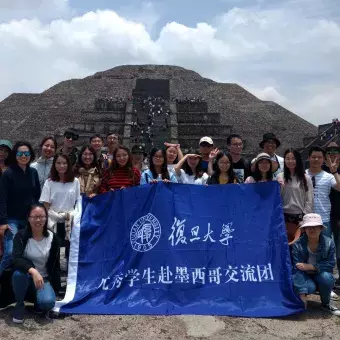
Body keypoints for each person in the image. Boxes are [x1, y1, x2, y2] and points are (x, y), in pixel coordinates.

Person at [11, 204, 60, 323]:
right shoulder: (20, 236)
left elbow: (55, 266)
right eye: (34, 217)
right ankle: (19, 305)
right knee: (18, 274)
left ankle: (38, 302)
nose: (38, 220)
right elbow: (16, 259)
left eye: (41, 216)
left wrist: (55, 289)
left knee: (47, 302)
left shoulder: (53, 238)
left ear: (46, 218)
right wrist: (33, 271)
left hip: (44, 278)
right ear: (28, 218)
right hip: (26, 277)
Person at [0, 142, 41, 275]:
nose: (23, 156)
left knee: (26, 252)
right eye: (20, 153)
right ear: (15, 155)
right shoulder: (8, 174)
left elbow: (37, 196)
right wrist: (3, 222)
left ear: (31, 155)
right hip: (12, 220)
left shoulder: (33, 172)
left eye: (26, 153)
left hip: (28, 219)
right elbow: (2, 198)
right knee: (10, 251)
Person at [292, 213, 340, 316]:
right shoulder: (298, 244)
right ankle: (301, 300)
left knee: (326, 278)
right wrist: (302, 293)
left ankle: (326, 303)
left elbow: (330, 264)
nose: (312, 229)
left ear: (321, 228)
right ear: (304, 229)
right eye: (308, 227)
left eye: (315, 227)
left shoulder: (329, 243)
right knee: (309, 288)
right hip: (304, 276)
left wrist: (310, 266)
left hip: (321, 275)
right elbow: (297, 268)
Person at [40, 154, 80, 254]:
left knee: (69, 249)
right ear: (54, 165)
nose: (61, 166)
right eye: (58, 163)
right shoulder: (49, 182)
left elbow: (77, 202)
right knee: (54, 249)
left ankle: (67, 269)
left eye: (64, 163)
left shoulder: (75, 181)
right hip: (53, 220)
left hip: (70, 219)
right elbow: (45, 204)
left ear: (68, 165)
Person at [277, 149, 313, 244]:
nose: (290, 161)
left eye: (293, 158)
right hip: (284, 216)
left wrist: (304, 217)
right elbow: (277, 198)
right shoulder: (280, 177)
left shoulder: (306, 178)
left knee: (299, 246)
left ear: (298, 160)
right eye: (287, 158)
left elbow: (309, 200)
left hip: (299, 217)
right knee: (285, 245)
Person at [306, 146, 340, 238]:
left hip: (323, 219)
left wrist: (335, 172)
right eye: (313, 157)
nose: (316, 159)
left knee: (326, 249)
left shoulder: (329, 176)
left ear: (324, 159)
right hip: (306, 219)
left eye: (319, 157)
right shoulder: (302, 174)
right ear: (308, 158)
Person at [322, 142, 340, 284]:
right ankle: (326, 278)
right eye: (329, 151)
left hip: (338, 215)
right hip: (325, 215)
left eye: (335, 151)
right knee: (325, 248)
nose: (332, 153)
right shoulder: (320, 169)